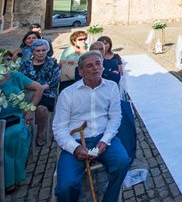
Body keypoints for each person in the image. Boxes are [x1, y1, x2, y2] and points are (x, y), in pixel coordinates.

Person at [53, 51, 130, 202]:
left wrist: (105, 140)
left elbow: (115, 117)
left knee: (122, 161)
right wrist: (74, 148)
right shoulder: (68, 94)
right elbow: (59, 128)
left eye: (98, 64)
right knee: (66, 185)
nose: (95, 68)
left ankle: (110, 199)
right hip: (76, 141)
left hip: (103, 136)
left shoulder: (111, 87)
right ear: (80, 71)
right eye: (89, 65)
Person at [0, 53, 46, 193]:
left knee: (14, 135)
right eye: (2, 61)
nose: (6, 63)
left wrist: (30, 110)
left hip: (16, 117)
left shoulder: (16, 76)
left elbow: (39, 88)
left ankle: (12, 178)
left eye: (8, 59)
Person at [19, 39, 60, 146]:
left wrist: (40, 88)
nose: (41, 53)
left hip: (47, 93)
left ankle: (40, 133)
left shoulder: (52, 62)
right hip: (28, 93)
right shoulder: (25, 64)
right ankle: (22, 135)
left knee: (41, 109)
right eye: (38, 51)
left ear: (47, 51)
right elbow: (21, 79)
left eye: (43, 50)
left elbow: (55, 79)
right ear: (33, 52)